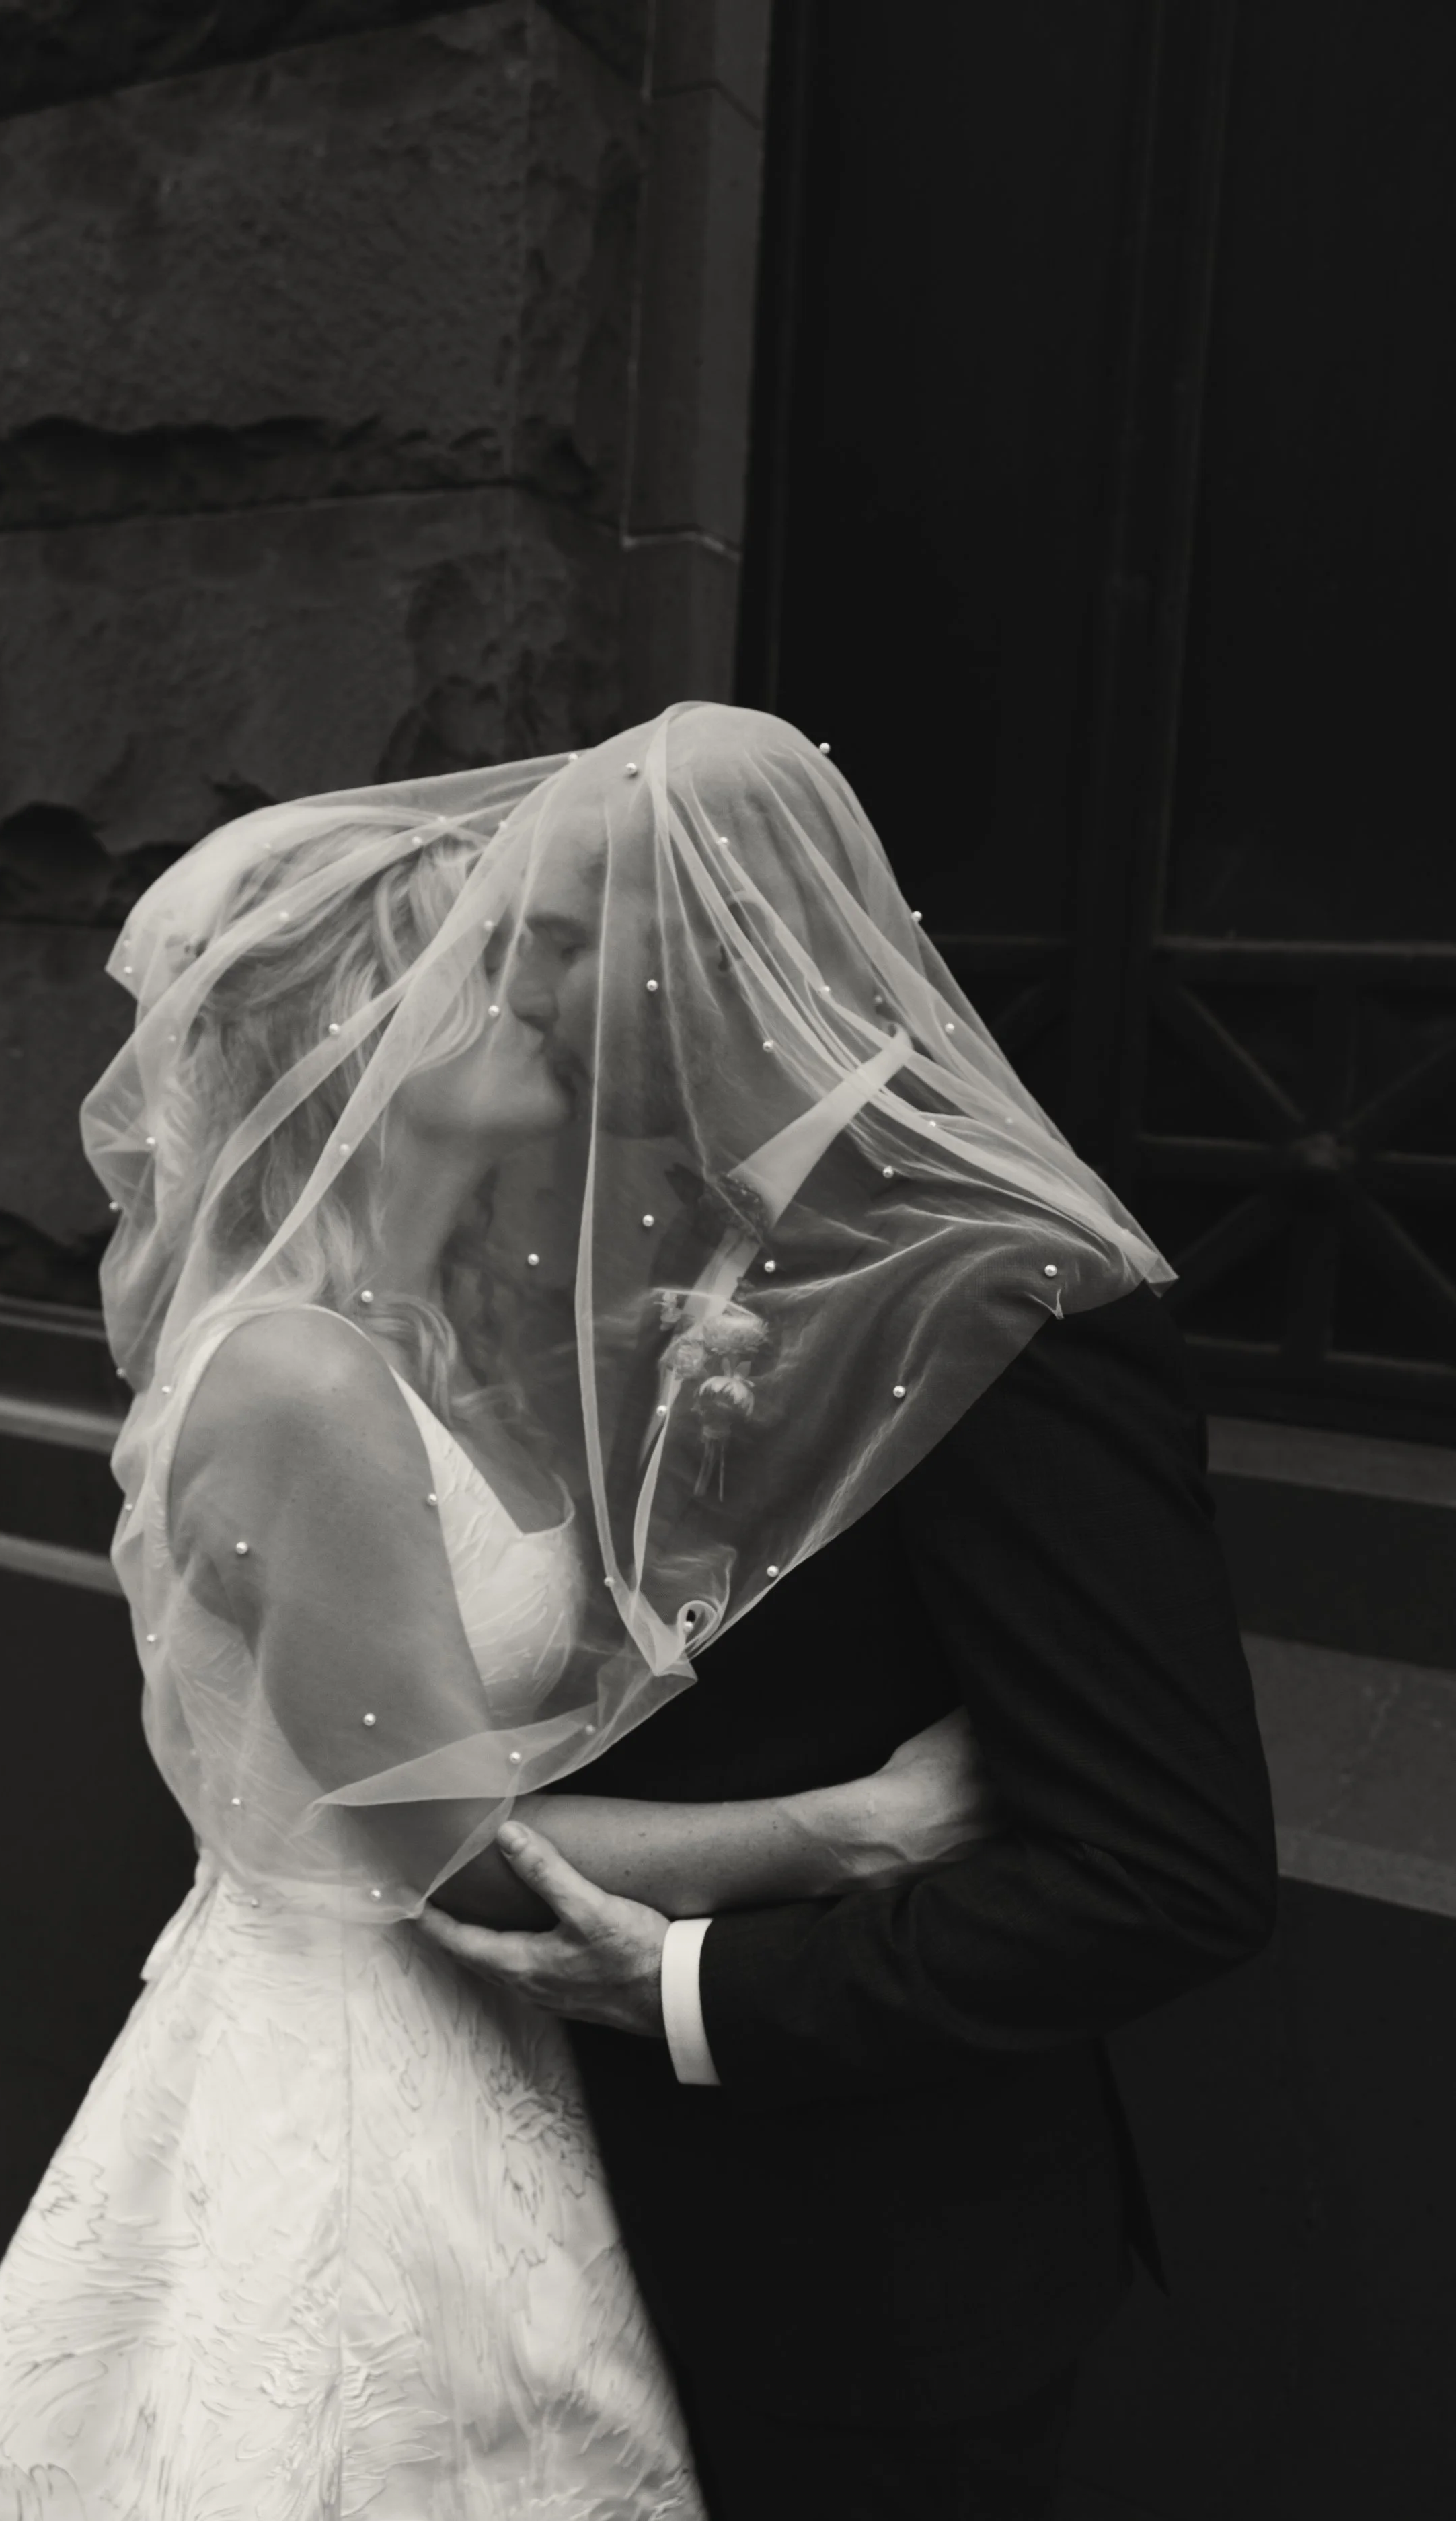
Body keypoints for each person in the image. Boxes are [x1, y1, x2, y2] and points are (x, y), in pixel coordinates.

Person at [0, 749, 1008, 2521]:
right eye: (493, 981)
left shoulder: (423, 1337)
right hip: (355, 2074)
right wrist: (858, 1827)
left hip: (496, 2052)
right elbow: (447, 1852)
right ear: (371, 1045)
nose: (551, 1011)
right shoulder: (297, 1376)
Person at [418, 702, 1280, 2520]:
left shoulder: (1008, 1301)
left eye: (565, 944)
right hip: (629, 2216)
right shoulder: (674, 1238)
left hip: (878, 2285)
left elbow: (1167, 1870)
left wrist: (687, 1985)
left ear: (712, 940)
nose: (522, 992)